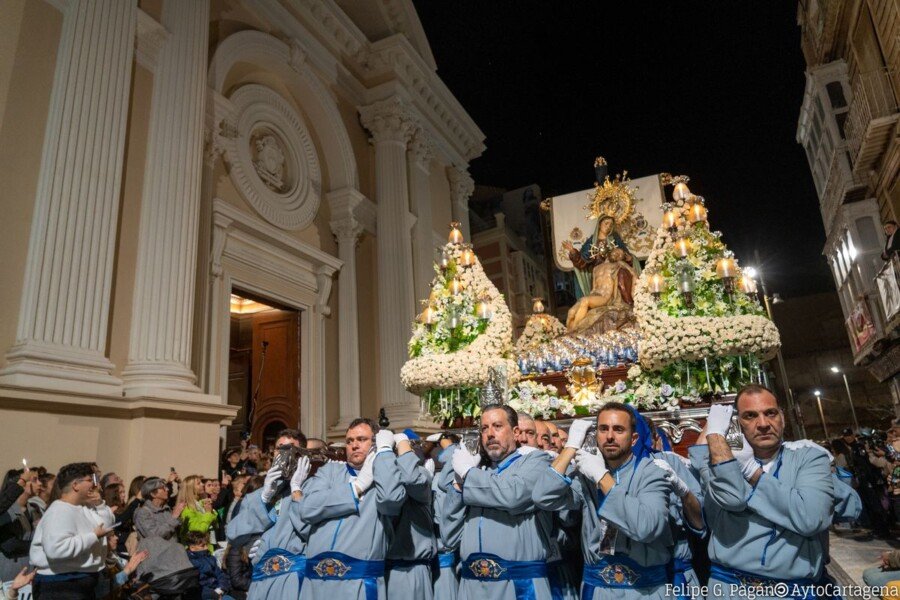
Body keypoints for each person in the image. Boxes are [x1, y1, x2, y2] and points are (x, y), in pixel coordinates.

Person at [689, 385, 834, 599]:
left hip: (791, 592)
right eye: (750, 416)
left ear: (782, 418)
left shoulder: (808, 458)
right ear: (737, 423)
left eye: (771, 413)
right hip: (728, 589)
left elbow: (811, 518)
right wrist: (715, 436)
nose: (764, 424)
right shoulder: (720, 464)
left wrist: (752, 471)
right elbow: (727, 502)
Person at [534, 404, 672, 600]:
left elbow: (645, 527)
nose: (610, 436)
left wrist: (602, 476)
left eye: (618, 429)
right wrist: (571, 447)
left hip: (645, 590)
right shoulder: (586, 473)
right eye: (603, 429)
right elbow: (542, 496)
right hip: (597, 588)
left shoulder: (652, 472)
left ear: (634, 438)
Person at [443, 404, 554, 599]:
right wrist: (458, 483)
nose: (490, 434)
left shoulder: (537, 461)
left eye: (497, 426)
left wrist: (468, 473)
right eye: (484, 428)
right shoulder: (480, 471)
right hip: (471, 587)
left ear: (516, 432)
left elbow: (512, 495)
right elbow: (449, 537)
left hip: (519, 586)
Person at [298, 418, 406, 600]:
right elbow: (307, 508)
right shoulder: (330, 471)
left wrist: (384, 454)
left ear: (376, 442)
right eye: (349, 441)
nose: (354, 445)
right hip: (315, 584)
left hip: (359, 583)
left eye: (361, 439)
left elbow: (390, 500)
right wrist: (357, 487)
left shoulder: (385, 475)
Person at [227, 428, 310, 600]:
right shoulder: (257, 495)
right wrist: (264, 498)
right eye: (280, 449)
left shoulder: (312, 489)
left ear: (301, 454)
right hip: (261, 581)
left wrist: (297, 490)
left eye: (290, 449)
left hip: (295, 580)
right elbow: (233, 533)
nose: (284, 454)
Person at [29, 462, 115, 598]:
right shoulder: (59, 510)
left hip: (81, 582)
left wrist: (99, 504)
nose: (95, 485)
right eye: (90, 480)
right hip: (61, 585)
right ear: (75, 485)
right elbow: (56, 549)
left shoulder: (84, 507)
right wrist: (92, 536)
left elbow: (105, 527)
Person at [386, 431, 436, 599]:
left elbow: (411, 478)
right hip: (383, 568)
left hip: (411, 569)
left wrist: (402, 444)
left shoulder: (420, 474)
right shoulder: (386, 475)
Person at [133, 477, 197, 592]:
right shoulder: (142, 512)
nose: (167, 489)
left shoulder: (166, 510)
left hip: (173, 566)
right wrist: (174, 517)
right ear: (153, 494)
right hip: (155, 568)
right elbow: (154, 536)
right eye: (163, 488)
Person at [186, 530, 234, 600]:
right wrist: (213, 594)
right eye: (203, 546)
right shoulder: (189, 562)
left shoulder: (210, 558)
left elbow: (220, 574)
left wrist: (221, 588)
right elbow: (196, 586)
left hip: (218, 590)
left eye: (206, 544)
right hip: (205, 595)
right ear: (192, 548)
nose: (206, 548)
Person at [178, 475, 218, 549]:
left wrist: (211, 512)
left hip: (206, 547)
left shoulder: (200, 504)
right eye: (198, 483)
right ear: (191, 488)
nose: (202, 484)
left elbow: (215, 525)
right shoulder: (187, 508)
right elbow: (197, 533)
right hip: (196, 550)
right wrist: (208, 513)